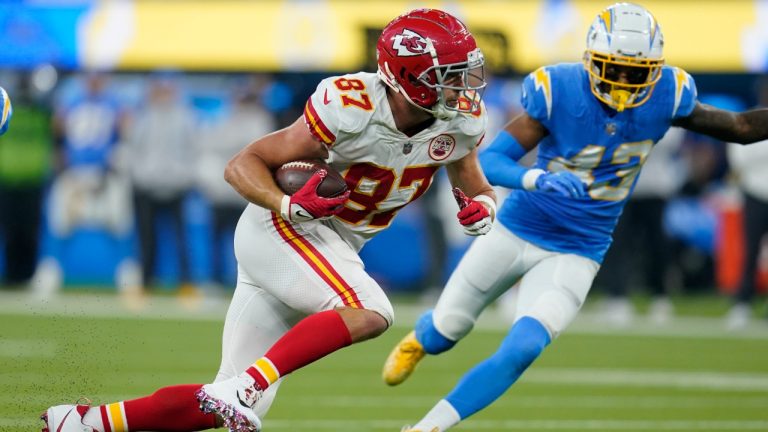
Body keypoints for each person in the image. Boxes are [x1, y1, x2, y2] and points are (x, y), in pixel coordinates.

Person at [42, 8, 496, 432]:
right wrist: (287, 205)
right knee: (370, 310)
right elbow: (244, 163)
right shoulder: (352, 105)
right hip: (284, 228)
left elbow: (476, 186)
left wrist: (483, 208)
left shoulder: (460, 122)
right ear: (407, 77)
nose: (463, 88)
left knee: (224, 400)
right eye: (449, 77)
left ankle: (85, 422)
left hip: (330, 248)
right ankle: (247, 385)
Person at [382, 4, 768, 431]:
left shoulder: (668, 95)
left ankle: (427, 427)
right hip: (517, 230)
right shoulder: (561, 89)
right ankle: (421, 338)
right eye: (613, 69)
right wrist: (535, 178)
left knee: (523, 348)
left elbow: (740, 127)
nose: (623, 83)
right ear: (591, 62)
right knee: (445, 331)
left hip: (580, 247)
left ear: (655, 71)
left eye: (635, 72)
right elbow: (490, 161)